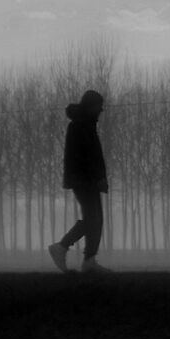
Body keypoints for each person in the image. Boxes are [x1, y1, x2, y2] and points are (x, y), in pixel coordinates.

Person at [49, 89, 111, 273]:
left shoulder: (84, 125)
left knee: (95, 219)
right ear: (91, 106)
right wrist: (98, 177)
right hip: (84, 181)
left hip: (85, 180)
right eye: (99, 106)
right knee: (94, 218)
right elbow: (88, 157)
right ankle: (63, 248)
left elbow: (90, 156)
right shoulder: (81, 126)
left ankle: (87, 258)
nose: (101, 110)